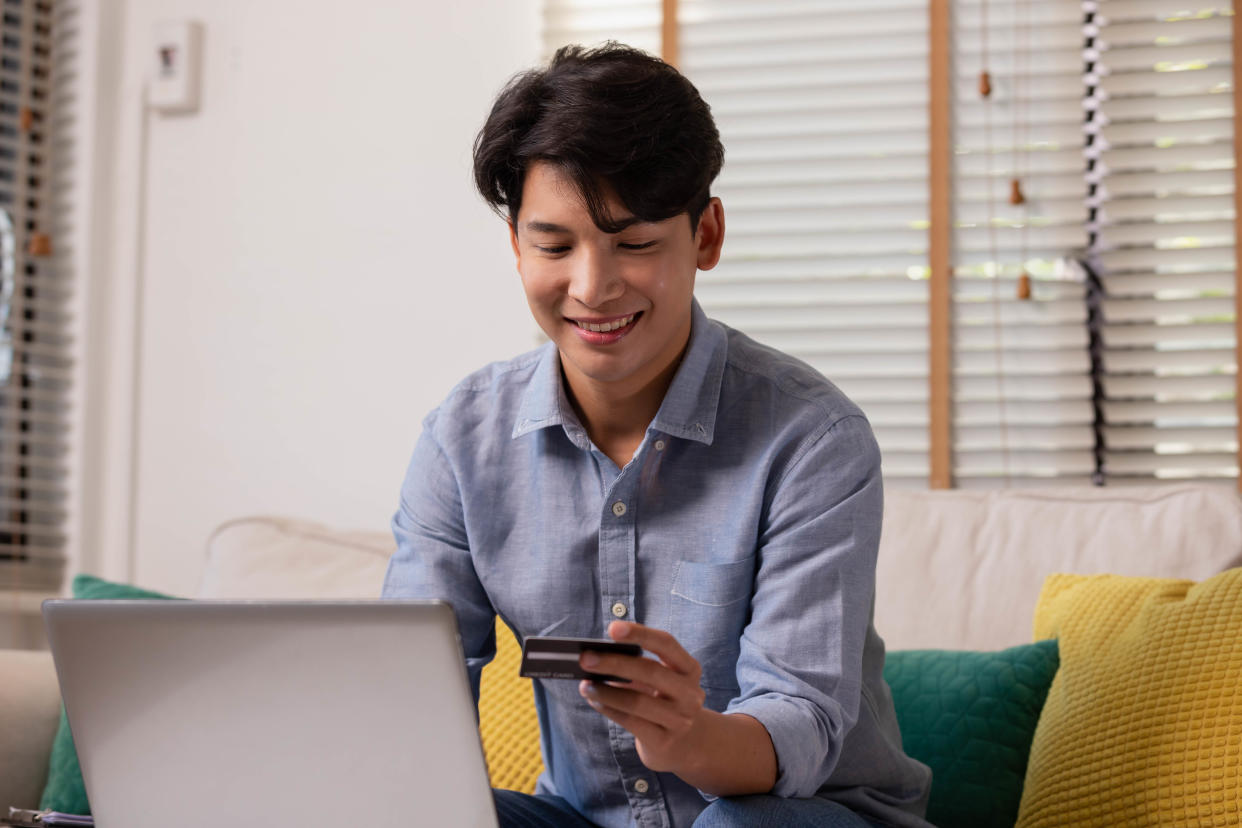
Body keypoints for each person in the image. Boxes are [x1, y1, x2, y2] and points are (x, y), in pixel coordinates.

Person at [382, 43, 932, 828]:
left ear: (705, 235)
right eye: (554, 245)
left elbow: (799, 725)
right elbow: (408, 694)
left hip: (798, 812)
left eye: (634, 243)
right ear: (515, 243)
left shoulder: (812, 439)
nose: (592, 287)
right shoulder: (461, 442)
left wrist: (688, 735)